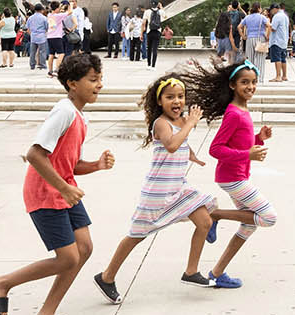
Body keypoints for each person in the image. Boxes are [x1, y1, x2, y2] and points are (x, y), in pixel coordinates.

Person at [0, 50, 114, 315]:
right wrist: (64, 188)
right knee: (68, 258)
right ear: (72, 84)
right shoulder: (64, 111)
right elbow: (35, 154)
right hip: (46, 192)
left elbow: (70, 163)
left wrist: (96, 165)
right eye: (93, 79)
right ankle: (0, 284)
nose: (99, 85)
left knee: (84, 249)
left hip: (64, 190)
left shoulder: (78, 116)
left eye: (100, 79)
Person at [92, 75, 252, 302]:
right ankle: (107, 277)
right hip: (157, 191)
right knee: (136, 235)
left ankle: (191, 272)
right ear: (159, 102)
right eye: (170, 97)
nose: (176, 101)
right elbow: (171, 144)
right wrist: (189, 124)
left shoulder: (180, 122)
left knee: (205, 220)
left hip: (177, 187)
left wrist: (193, 156)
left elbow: (182, 144)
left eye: (180, 96)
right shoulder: (161, 123)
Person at [174, 58, 279, 289]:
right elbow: (216, 149)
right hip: (232, 178)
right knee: (268, 217)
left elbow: (240, 143)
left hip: (237, 176)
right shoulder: (233, 113)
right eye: (244, 82)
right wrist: (248, 155)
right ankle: (216, 215)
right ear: (232, 85)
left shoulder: (242, 109)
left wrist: (259, 138)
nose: (250, 87)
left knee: (249, 225)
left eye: (253, 82)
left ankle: (217, 273)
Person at [268, 3, 290, 82]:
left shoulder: (277, 16)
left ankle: (278, 76)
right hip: (283, 40)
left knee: (277, 59)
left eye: (271, 10)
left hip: (276, 40)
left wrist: (268, 25)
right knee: (283, 59)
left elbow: (273, 28)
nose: (270, 12)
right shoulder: (285, 15)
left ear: (274, 9)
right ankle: (284, 76)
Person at [26, 5, 49, 71]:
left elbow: (27, 28)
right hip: (42, 36)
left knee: (32, 52)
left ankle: (32, 65)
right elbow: (47, 27)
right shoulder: (44, 18)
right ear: (41, 10)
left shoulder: (30, 18)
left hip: (33, 36)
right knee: (42, 52)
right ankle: (43, 65)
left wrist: (31, 34)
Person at [145, 1, 164, 70]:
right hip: (157, 31)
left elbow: (144, 23)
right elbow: (166, 16)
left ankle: (148, 65)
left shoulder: (147, 12)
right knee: (155, 49)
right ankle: (153, 66)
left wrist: (141, 33)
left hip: (149, 31)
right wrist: (161, 7)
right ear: (157, 5)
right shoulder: (161, 11)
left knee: (149, 49)